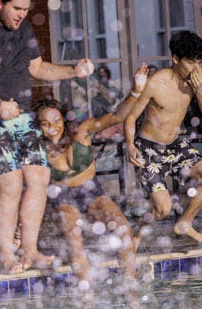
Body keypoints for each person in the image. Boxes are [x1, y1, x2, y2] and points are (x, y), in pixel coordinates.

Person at [0, 0, 94, 273]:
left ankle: (31, 250)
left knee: (39, 178)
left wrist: (72, 71)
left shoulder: (23, 27)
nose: (21, 15)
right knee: (11, 184)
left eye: (25, 9)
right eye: (16, 8)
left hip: (21, 117)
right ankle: (7, 254)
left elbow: (37, 68)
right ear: (0, 3)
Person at [32, 64, 148, 287]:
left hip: (92, 191)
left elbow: (116, 117)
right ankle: (86, 297)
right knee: (75, 241)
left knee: (123, 231)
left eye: (56, 121)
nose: (53, 127)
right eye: (45, 124)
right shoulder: (39, 150)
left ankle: (130, 289)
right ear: (39, 127)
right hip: (63, 198)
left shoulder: (82, 133)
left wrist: (136, 90)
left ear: (63, 120)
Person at [124, 31, 202, 248]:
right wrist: (130, 146)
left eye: (198, 62)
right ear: (175, 59)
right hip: (149, 148)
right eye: (190, 62)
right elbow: (130, 117)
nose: (195, 68)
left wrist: (201, 88)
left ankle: (184, 224)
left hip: (176, 145)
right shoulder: (156, 83)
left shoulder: (196, 77)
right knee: (163, 209)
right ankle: (136, 234)